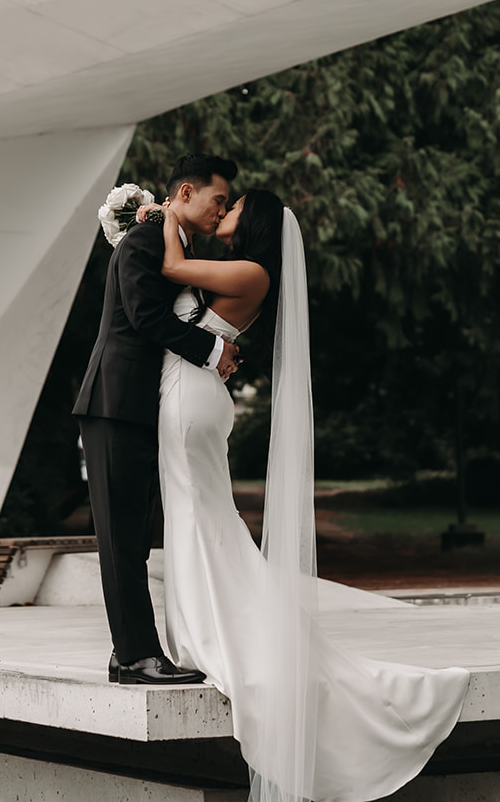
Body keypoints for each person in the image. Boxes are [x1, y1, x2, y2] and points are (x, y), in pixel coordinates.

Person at [155, 188, 470, 802]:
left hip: (192, 399)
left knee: (201, 513)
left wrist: (164, 213)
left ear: (259, 224)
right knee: (200, 515)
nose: (224, 213)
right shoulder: (236, 269)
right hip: (186, 389)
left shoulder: (251, 271)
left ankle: (213, 629)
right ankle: (203, 623)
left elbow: (168, 269)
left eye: (235, 207)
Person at [73, 153, 240, 686]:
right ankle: (136, 655)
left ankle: (131, 653)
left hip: (141, 405)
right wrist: (212, 352)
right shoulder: (146, 239)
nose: (221, 212)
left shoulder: (171, 239)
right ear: (185, 193)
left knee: (136, 535)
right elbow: (143, 317)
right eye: (217, 200)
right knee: (121, 536)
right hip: (114, 401)